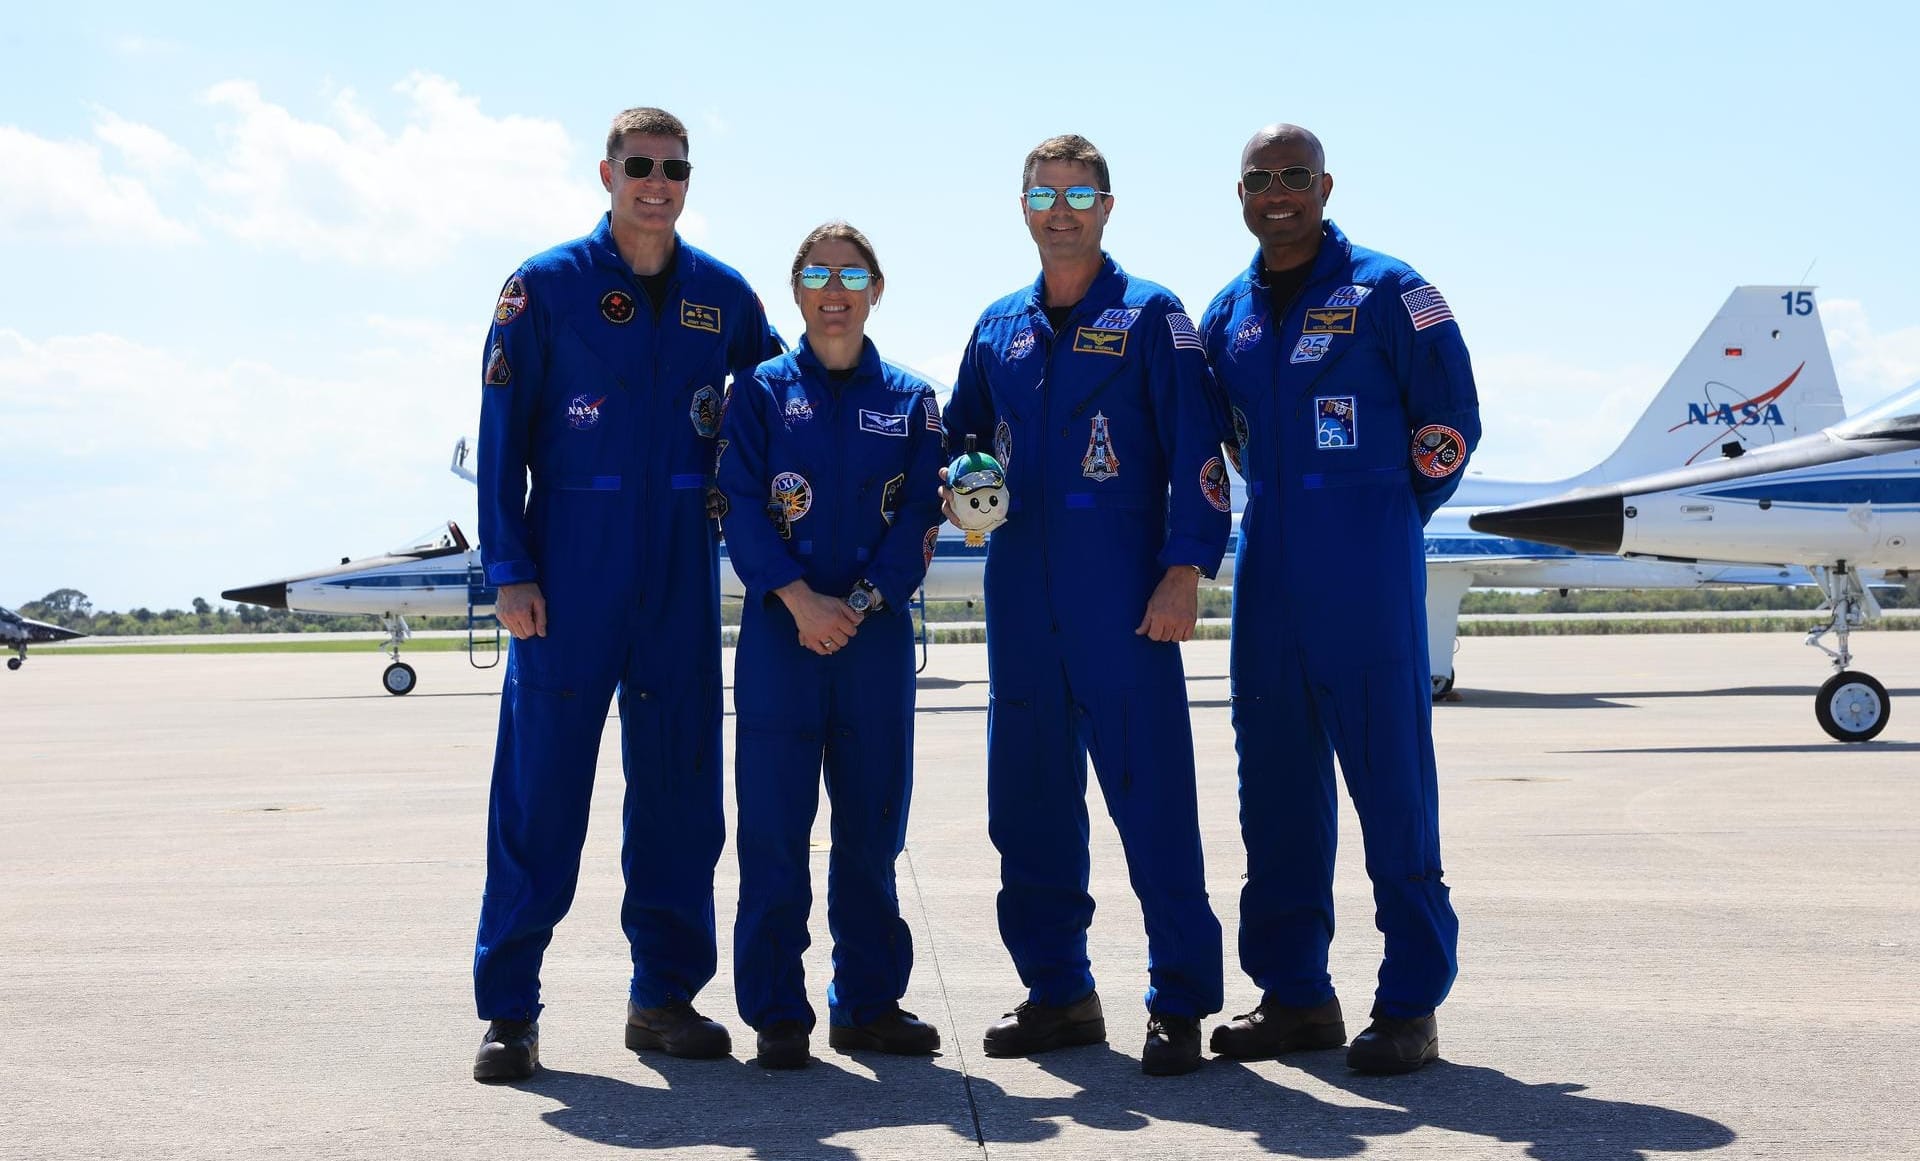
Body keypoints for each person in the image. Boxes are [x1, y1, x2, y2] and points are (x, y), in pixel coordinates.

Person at [470, 106, 781, 1082]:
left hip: (679, 572)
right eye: (640, 165)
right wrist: (511, 569)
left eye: (674, 168)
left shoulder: (723, 299)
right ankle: (511, 1011)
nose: (658, 182)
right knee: (540, 795)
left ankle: (666, 998)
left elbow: (787, 408)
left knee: (682, 793)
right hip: (570, 569)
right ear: (607, 173)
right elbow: (498, 441)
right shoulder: (544, 290)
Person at [942, 134, 1231, 1076]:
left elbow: (1200, 449)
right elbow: (961, 437)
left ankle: (1180, 997)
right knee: (1026, 808)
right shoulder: (996, 328)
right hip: (1021, 597)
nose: (1060, 209)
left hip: (1125, 598)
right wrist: (959, 476)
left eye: (1078, 193)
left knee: (1152, 804)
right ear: (1021, 207)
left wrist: (1185, 569)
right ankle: (1057, 991)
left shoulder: (1154, 316)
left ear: (1108, 206)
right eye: (1043, 193)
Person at [1199, 123, 1480, 1075]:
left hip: (1367, 562)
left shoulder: (1396, 293)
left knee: (1392, 787)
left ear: (1324, 185)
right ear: (1240, 193)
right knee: (1273, 792)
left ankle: (1409, 1002)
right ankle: (1294, 996)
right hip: (1270, 565)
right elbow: (1229, 439)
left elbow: (1450, 427)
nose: (1277, 193)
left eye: (1293, 176)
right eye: (1259, 179)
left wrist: (1387, 513)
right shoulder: (1226, 312)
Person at [717, 222, 947, 1070]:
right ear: (799, 292)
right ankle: (779, 1009)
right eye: (817, 273)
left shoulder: (915, 400)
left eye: (852, 274)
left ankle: (868, 1002)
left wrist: (861, 599)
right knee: (775, 830)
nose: (835, 288)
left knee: (871, 828)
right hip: (782, 636)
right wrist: (798, 598)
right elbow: (738, 502)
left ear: (877, 289)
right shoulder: (760, 394)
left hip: (874, 637)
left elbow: (925, 510)